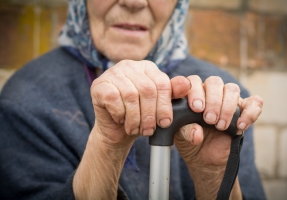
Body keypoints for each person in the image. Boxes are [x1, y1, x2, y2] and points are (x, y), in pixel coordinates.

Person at [0, 0, 266, 199]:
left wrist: (214, 175)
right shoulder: (26, 101)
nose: (134, 2)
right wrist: (107, 149)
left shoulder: (221, 100)